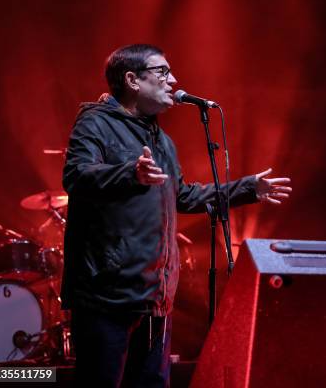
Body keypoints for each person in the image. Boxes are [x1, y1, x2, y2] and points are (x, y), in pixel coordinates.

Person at [61, 44, 292, 387]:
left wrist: (247, 188)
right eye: (163, 72)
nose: (174, 80)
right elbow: (76, 175)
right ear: (132, 80)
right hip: (106, 296)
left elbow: (183, 196)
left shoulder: (163, 142)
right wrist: (130, 173)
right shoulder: (95, 123)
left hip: (155, 297)